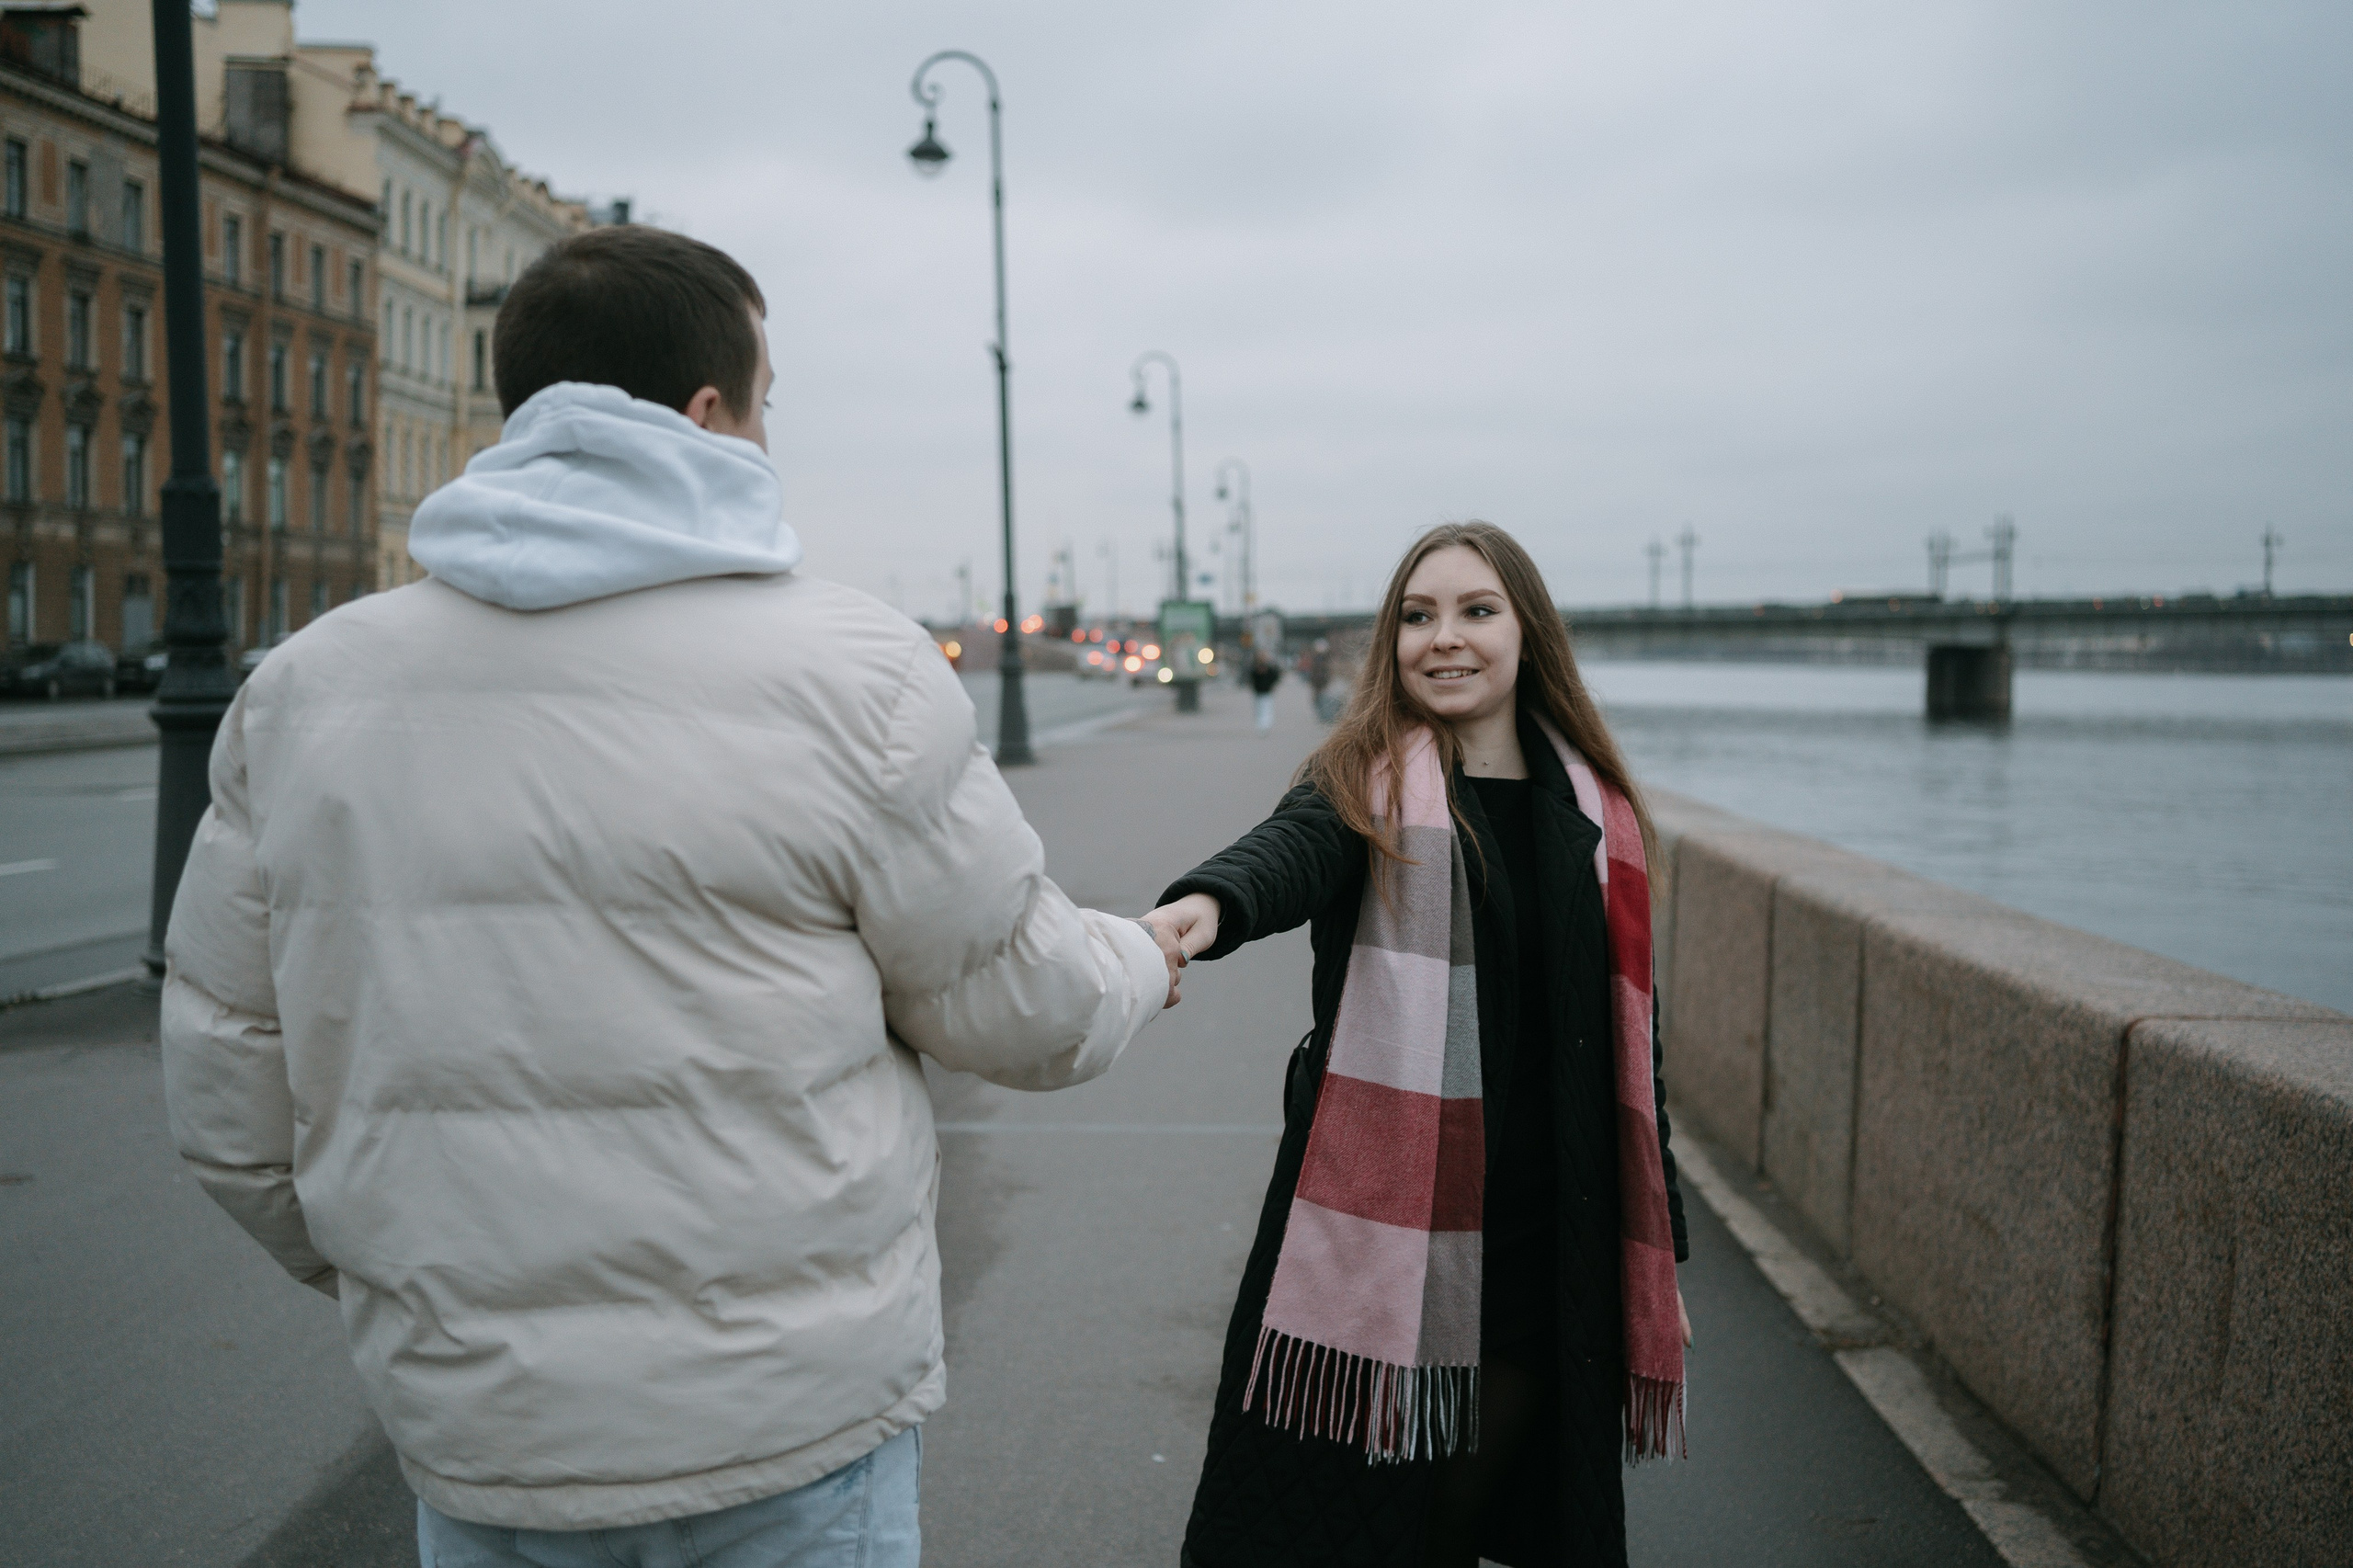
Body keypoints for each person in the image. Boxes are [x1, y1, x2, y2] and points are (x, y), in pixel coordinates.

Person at [159, 226, 1183, 1568]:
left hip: (487, 1441)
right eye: (766, 405)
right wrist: (1142, 957)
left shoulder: (305, 689)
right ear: (707, 414)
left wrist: (426, 1293)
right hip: (788, 1428)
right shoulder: (854, 672)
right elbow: (1027, 1009)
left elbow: (229, 1092)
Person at [1142, 521, 1692, 1568]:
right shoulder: (1362, 781)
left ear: (1527, 633)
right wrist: (1206, 905)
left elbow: (1634, 1049)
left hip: (1547, 1242)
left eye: (1476, 611)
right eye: (1417, 615)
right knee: (1365, 1521)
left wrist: (1665, 1255)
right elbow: (1289, 851)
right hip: (1383, 1228)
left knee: (1458, 1514)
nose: (1445, 637)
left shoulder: (1597, 815)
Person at [1249, 649, 1283, 733]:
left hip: (1267, 691)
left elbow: (1276, 676)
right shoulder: (1255, 667)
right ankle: (1260, 725)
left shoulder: (1270, 668)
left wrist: (1272, 685)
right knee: (1258, 709)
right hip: (1258, 692)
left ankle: (1265, 725)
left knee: (1266, 709)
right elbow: (1251, 678)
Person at [1305, 637, 1334, 722]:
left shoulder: (1326, 658)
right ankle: (1320, 713)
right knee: (1316, 698)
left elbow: (1328, 670)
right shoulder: (1315, 658)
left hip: (1323, 680)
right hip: (1316, 681)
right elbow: (1312, 670)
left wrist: (1328, 679)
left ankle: (1323, 714)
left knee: (1322, 697)